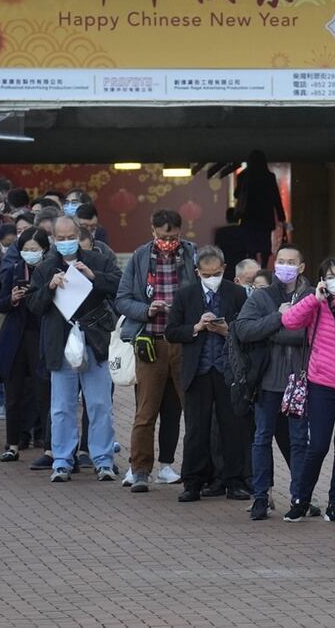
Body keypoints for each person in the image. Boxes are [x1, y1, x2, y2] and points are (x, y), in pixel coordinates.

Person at [26, 216, 121, 483]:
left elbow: (119, 287)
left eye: (71, 237)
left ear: (79, 236)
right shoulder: (45, 267)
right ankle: (62, 460)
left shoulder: (97, 261)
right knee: (61, 406)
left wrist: (94, 277)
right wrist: (50, 287)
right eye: (61, 238)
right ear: (53, 238)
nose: (66, 242)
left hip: (94, 341)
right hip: (61, 344)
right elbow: (33, 305)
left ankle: (102, 459)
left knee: (100, 404)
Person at [115, 210, 196, 491]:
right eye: (163, 236)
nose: (168, 241)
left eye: (173, 236)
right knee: (145, 411)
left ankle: (196, 471)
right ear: (153, 231)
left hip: (185, 342)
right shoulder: (139, 257)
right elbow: (122, 300)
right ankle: (139, 470)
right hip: (150, 341)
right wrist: (147, 309)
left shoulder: (192, 254)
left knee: (192, 409)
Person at [279, 257, 335, 523]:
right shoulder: (317, 304)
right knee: (318, 445)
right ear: (321, 280)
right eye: (329, 276)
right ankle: (301, 500)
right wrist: (313, 298)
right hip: (321, 384)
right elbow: (290, 321)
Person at [234, 244, 313, 521]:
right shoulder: (262, 297)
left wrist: (271, 332)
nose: (285, 266)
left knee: (299, 440)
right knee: (261, 438)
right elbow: (243, 330)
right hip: (266, 381)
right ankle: (260, 496)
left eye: (291, 262)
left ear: (301, 267)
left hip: (300, 381)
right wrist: (279, 317)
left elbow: (310, 336)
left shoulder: (312, 297)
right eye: (281, 261)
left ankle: (300, 497)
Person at [166, 246, 251, 503]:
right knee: (196, 429)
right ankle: (193, 482)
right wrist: (196, 327)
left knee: (232, 427)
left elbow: (247, 328)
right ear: (197, 273)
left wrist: (228, 330)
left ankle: (234, 481)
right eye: (206, 274)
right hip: (197, 370)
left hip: (227, 370)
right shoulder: (185, 295)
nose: (211, 277)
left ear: (224, 269)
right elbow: (171, 331)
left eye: (216, 273)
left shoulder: (237, 293)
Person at [0, 228, 52, 463]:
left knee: (43, 393)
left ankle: (49, 446)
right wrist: (13, 298)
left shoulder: (51, 270)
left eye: (34, 250)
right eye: (25, 249)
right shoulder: (15, 269)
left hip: (40, 336)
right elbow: (1, 303)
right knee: (13, 394)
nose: (30, 254)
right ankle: (13, 444)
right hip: (15, 337)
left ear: (44, 249)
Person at [234, 150, 286, 264]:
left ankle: (252, 267)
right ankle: (263, 268)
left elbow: (236, 194)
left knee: (250, 247)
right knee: (264, 246)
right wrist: (282, 218)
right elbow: (276, 199)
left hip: (249, 217)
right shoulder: (269, 177)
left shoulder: (243, 176)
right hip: (265, 218)